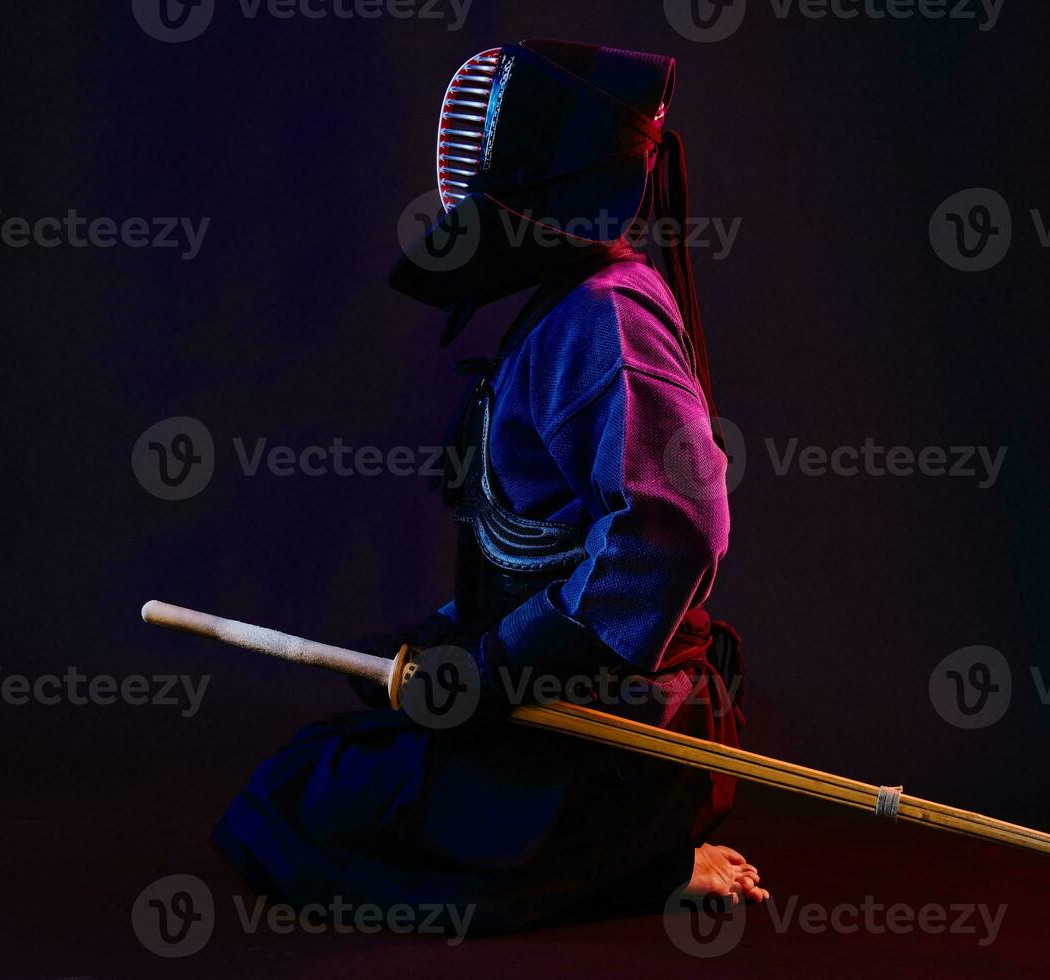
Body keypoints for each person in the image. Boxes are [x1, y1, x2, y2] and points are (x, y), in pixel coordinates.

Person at [213, 38, 765, 933]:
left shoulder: (607, 314)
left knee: (301, 807)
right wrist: (441, 641)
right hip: (549, 702)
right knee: (319, 772)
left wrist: (497, 666)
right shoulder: (566, 306)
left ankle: (650, 864)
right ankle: (613, 850)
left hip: (617, 728)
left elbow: (675, 529)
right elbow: (540, 535)